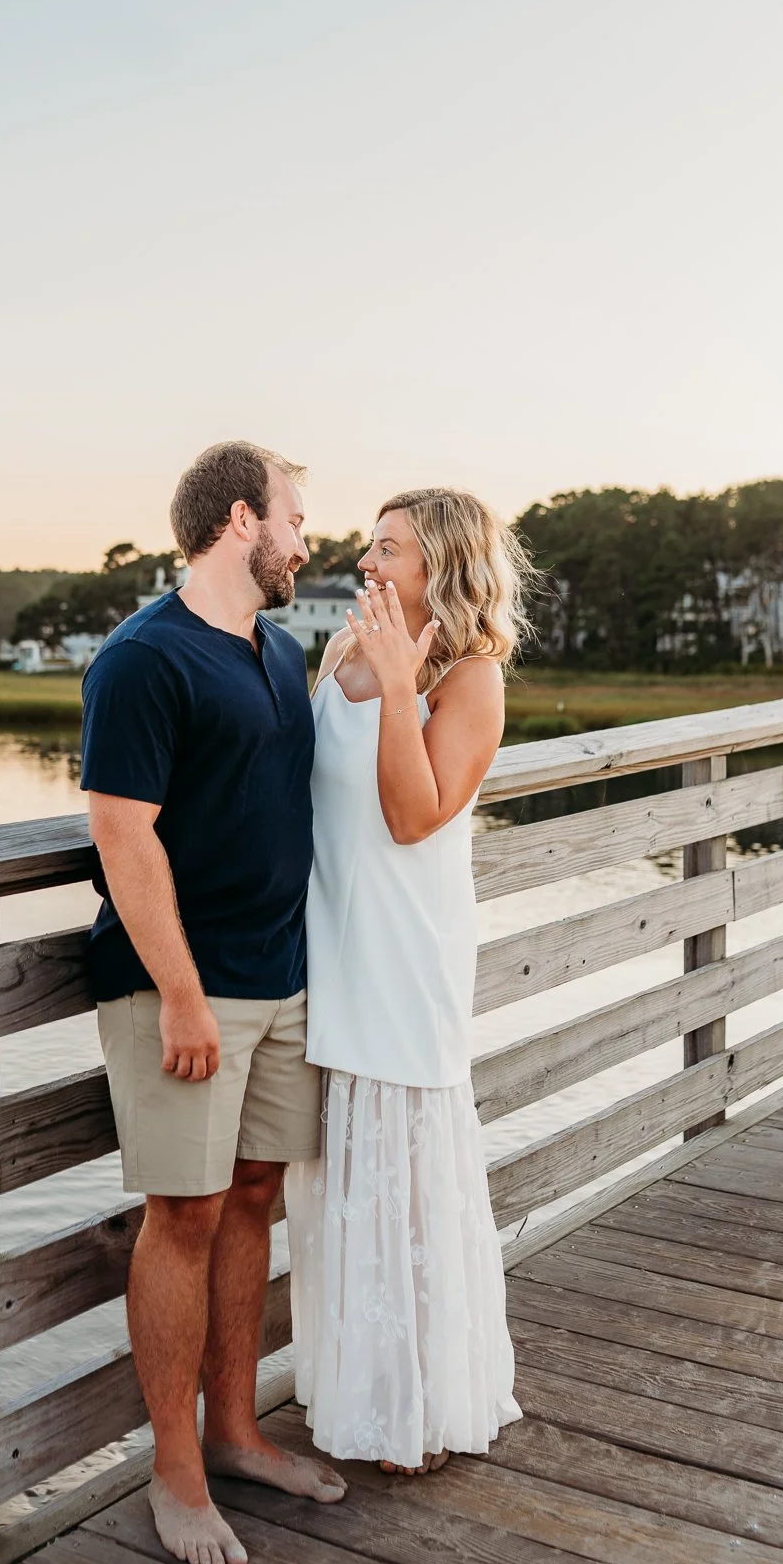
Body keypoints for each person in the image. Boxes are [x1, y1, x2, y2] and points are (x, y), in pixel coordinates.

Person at [81, 441, 347, 1564]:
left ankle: (236, 1432)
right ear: (242, 518)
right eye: (294, 515)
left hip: (282, 980)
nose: (305, 536)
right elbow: (122, 832)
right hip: (181, 990)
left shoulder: (278, 651)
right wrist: (181, 994)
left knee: (251, 1197)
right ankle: (174, 1470)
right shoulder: (144, 657)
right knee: (182, 1214)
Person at [286, 487, 527, 1474]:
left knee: (408, 1180)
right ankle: (359, 1389)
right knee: (340, 1175)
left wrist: (398, 683)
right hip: (327, 946)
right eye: (369, 546)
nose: (368, 563)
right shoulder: (339, 652)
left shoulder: (470, 676)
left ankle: (420, 1401)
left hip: (406, 953)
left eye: (390, 549)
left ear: (443, 564)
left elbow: (412, 815)